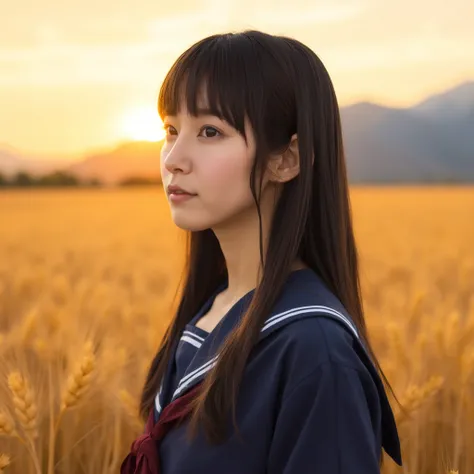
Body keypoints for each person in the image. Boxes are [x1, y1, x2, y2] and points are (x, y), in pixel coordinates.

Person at [121, 29, 403, 474]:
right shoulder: (211, 310)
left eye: (210, 131)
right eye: (172, 130)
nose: (174, 157)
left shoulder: (315, 353)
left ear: (286, 159)